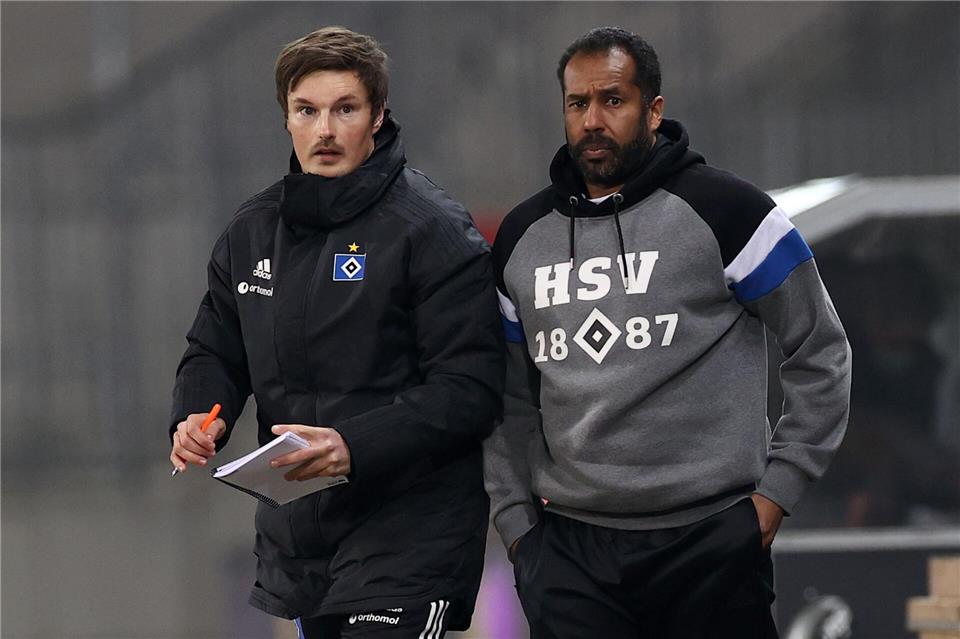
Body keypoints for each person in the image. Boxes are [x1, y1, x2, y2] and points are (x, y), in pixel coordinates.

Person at [483, 26, 851, 638]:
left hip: (713, 539)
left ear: (653, 110)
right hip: (571, 552)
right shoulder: (522, 238)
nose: (593, 120)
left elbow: (821, 351)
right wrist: (518, 528)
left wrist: (774, 496)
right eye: (578, 104)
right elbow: (506, 399)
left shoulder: (731, 211)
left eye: (613, 100)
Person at [169, 26, 503, 639]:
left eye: (344, 109)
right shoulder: (251, 232)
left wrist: (354, 443)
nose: (324, 130)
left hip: (411, 536)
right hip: (303, 541)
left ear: (377, 117)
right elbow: (214, 348)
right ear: (286, 119)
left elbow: (470, 389)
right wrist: (198, 415)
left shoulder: (432, 231)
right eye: (307, 110)